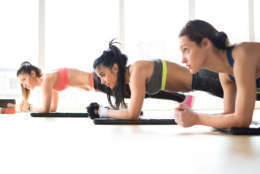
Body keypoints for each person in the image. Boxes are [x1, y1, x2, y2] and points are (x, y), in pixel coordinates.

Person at [87, 40, 224, 119]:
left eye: (103, 75)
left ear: (115, 68)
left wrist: (103, 112)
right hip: (202, 82)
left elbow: (132, 114)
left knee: (243, 101)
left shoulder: (137, 72)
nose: (103, 81)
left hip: (205, 78)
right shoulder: (133, 77)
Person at [16, 61, 202, 113]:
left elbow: (47, 110)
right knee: (138, 92)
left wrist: (30, 107)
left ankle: (181, 97)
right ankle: (180, 98)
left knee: (138, 92)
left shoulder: (48, 80)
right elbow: (53, 108)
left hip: (97, 82)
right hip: (97, 85)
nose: (25, 84)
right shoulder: (50, 82)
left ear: (33, 73)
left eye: (24, 79)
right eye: (22, 83)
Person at [175, 19, 260, 128]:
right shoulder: (224, 74)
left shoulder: (242, 55)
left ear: (205, 43)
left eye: (186, 50)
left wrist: (196, 118)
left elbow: (242, 120)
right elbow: (230, 115)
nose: (183, 60)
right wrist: (189, 116)